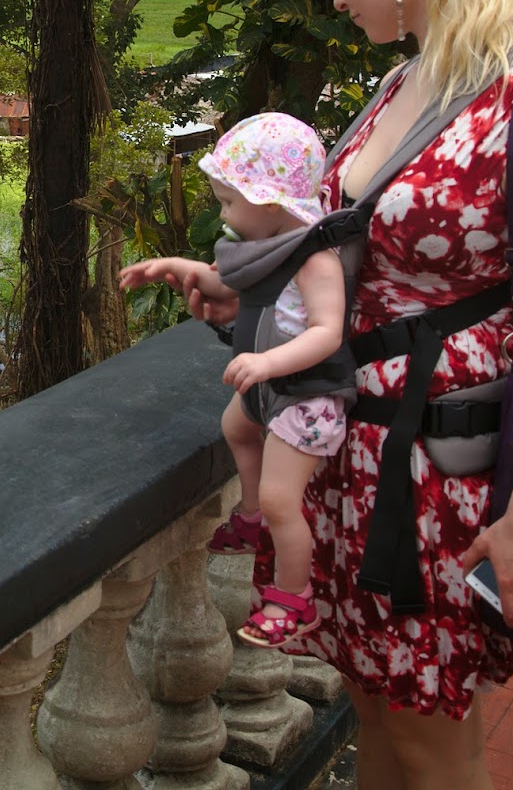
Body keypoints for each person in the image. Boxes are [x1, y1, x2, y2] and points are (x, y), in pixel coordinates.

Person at [171, 0, 513, 788]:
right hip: (348, 459)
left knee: (430, 736)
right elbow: (350, 264)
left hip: (433, 481)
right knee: (374, 710)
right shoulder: (396, 89)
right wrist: (249, 303)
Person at [120, 112, 353, 648]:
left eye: (228, 202)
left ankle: (296, 598)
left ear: (269, 203)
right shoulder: (273, 244)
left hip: (309, 397)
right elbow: (225, 280)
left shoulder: (315, 257)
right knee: (238, 427)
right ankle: (248, 517)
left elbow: (327, 332)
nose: (222, 213)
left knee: (281, 499)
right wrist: (172, 266)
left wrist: (268, 364)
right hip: (273, 392)